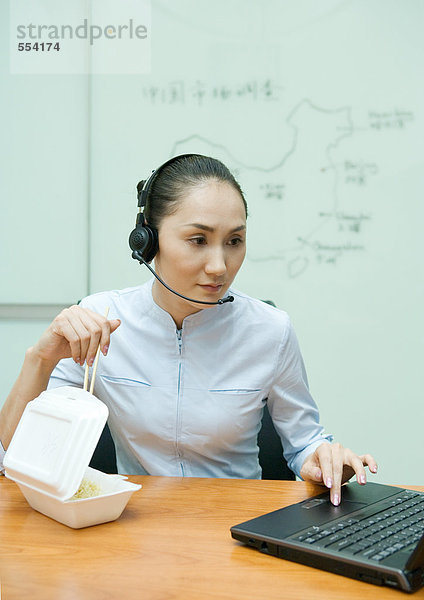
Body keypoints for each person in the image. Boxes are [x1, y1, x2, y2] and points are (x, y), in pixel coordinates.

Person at [0, 153, 377, 506]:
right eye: (198, 240)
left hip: (238, 524)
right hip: (136, 527)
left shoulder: (270, 330)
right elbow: (15, 459)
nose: (219, 266)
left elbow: (304, 442)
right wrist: (40, 359)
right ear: (147, 240)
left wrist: (322, 459)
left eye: (234, 241)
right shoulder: (99, 318)